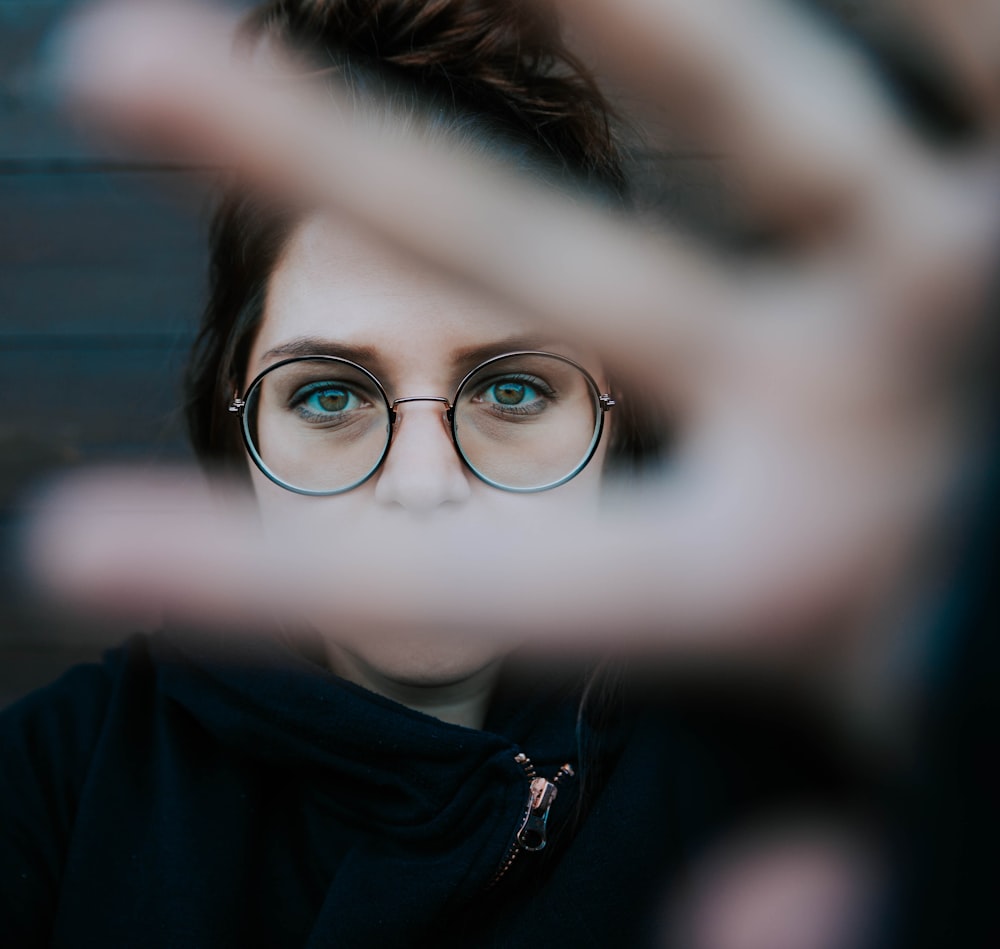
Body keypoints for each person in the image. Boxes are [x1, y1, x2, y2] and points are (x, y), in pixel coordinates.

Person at [0, 1, 878, 947]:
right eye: (330, 397)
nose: (424, 487)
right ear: (237, 404)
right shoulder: (53, 788)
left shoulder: (768, 798)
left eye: (511, 390)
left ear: (611, 414)